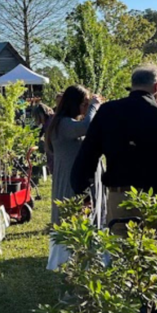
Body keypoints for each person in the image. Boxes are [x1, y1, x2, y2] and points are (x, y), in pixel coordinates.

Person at [71, 64, 157, 246]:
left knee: (121, 255)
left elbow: (87, 155)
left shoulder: (107, 112)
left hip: (120, 196)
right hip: (155, 198)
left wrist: (81, 190)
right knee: (156, 254)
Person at [48, 86, 100, 225]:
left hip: (73, 178)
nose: (85, 108)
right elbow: (87, 126)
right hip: (69, 181)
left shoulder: (63, 123)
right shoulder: (64, 124)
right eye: (84, 104)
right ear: (74, 104)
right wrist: (94, 107)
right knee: (70, 221)